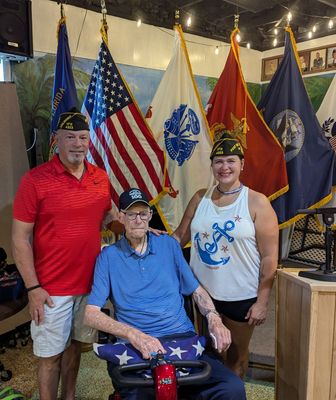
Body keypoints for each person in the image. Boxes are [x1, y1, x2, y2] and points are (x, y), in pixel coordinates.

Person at [85, 188, 246, 400]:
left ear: (150, 216)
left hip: (182, 340)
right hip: (136, 345)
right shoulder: (109, 257)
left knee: (231, 388)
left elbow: (196, 291)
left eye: (143, 213)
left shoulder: (168, 245)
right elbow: (91, 314)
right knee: (140, 394)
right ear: (121, 217)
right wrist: (134, 335)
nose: (137, 220)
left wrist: (214, 318)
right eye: (131, 214)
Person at [12, 108, 113, 400]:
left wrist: (143, 225)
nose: (78, 144)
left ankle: (69, 397)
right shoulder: (35, 181)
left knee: (75, 347)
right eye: (70, 137)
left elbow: (110, 218)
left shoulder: (100, 178)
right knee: (49, 357)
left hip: (89, 287)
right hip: (50, 290)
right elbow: (20, 239)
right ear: (56, 140)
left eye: (83, 137)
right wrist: (33, 288)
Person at [173, 133, 278, 378]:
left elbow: (270, 258)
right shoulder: (200, 198)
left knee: (235, 357)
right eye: (218, 161)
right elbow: (178, 238)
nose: (224, 167)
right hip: (201, 295)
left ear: (242, 164)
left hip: (240, 296)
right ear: (211, 166)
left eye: (231, 160)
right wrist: (147, 237)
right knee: (206, 353)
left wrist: (262, 302)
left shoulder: (257, 203)